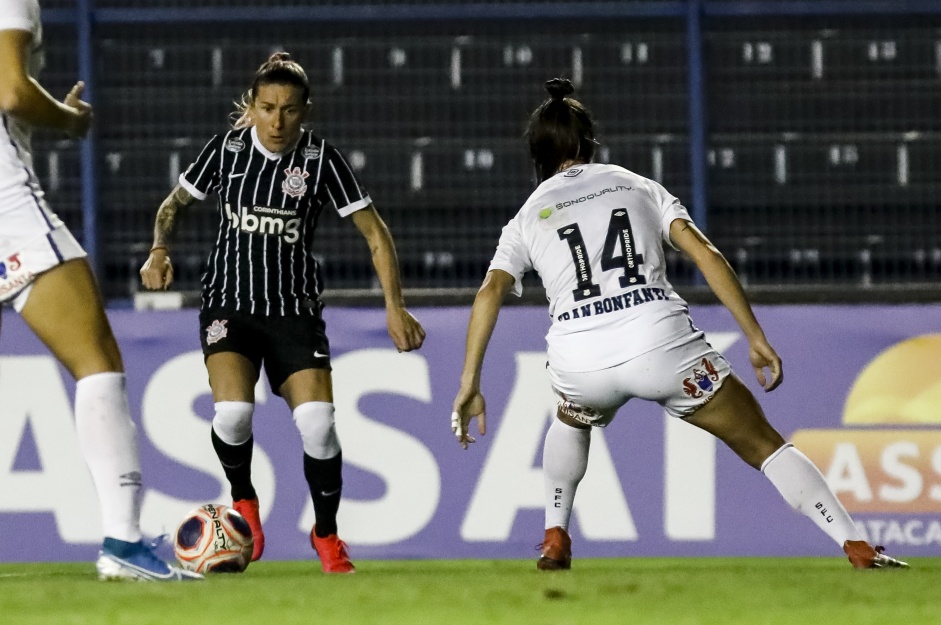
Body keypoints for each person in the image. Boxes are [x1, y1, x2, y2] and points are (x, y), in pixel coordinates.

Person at [450, 78, 908, 571]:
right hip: (659, 341)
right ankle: (856, 546)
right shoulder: (635, 184)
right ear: (588, 143)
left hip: (581, 359)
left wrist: (470, 382)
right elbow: (705, 253)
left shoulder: (524, 218)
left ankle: (556, 535)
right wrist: (754, 336)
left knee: (571, 414)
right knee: (761, 442)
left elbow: (489, 292)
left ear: (538, 155)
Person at [140, 52, 425, 574]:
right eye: (267, 107)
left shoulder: (321, 161)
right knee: (233, 414)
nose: (276, 121)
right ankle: (244, 499)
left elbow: (375, 234)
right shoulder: (226, 150)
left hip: (293, 311)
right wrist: (159, 249)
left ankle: (326, 534)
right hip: (229, 303)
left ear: (304, 111)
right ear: (251, 107)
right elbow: (172, 205)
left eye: (289, 110)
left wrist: (395, 306)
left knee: (318, 424)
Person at [0, 0, 200, 581]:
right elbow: (11, 91)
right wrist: (67, 118)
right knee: (99, 362)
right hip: (8, 208)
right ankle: (123, 541)